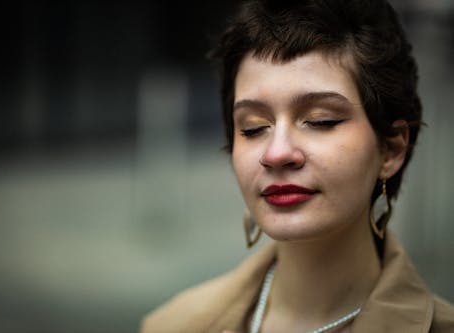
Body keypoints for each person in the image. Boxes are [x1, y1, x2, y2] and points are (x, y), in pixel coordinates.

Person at [140, 0, 454, 332]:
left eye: (321, 120)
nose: (276, 153)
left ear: (390, 150)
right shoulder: (171, 324)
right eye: (253, 127)